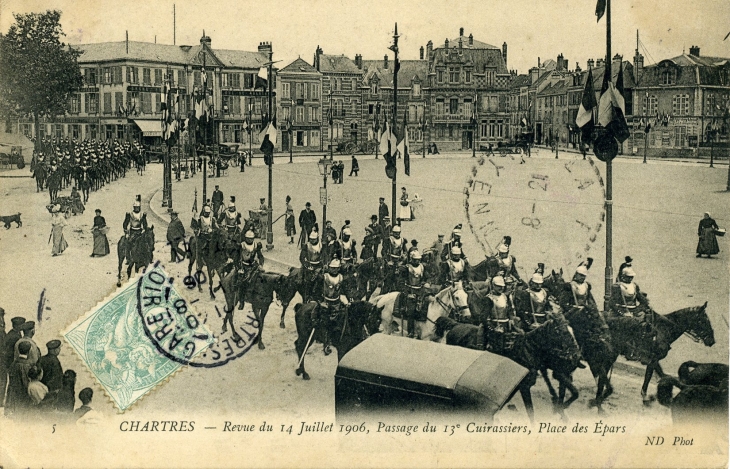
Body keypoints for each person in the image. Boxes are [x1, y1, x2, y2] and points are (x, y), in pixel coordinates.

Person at [316, 259, 349, 355]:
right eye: (332, 268)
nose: (334, 270)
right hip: (325, 301)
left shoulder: (341, 278)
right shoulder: (324, 277)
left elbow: (344, 290)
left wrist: (348, 299)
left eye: (336, 268)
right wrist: (319, 301)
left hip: (337, 302)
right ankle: (323, 340)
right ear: (329, 268)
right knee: (323, 321)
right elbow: (317, 289)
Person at [397, 250, 426, 338]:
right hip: (410, 290)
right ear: (411, 259)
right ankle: (410, 331)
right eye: (415, 260)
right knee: (411, 311)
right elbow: (401, 282)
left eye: (418, 259)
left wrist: (426, 282)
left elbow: (425, 277)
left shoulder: (422, 267)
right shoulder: (406, 268)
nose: (417, 261)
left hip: (420, 290)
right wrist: (406, 292)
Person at [1, 316, 25, 408]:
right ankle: (9, 403)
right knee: (12, 383)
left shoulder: (13, 333)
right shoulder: (14, 336)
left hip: (8, 362)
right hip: (10, 363)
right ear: (19, 326)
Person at [5, 341, 33, 416]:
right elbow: (26, 382)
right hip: (22, 394)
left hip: (13, 393)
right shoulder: (26, 365)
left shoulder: (13, 364)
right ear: (29, 351)